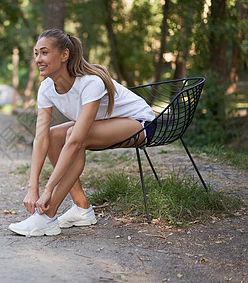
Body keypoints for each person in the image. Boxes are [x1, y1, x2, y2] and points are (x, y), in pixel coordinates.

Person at [8, 29, 156, 236]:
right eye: (35, 54)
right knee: (52, 135)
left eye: (44, 52)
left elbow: (76, 139)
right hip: (110, 125)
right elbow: (41, 137)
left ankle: (47, 216)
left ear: (64, 55)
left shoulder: (89, 82)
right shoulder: (46, 88)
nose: (38, 59)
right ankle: (81, 208)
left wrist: (48, 189)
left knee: (73, 136)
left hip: (141, 124)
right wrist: (33, 188)